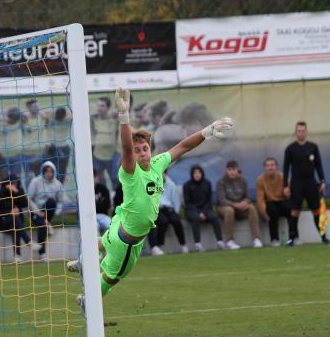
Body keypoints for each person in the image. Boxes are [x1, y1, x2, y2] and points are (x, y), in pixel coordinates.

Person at [69, 87, 233, 310]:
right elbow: (126, 147)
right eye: (138, 150)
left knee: (103, 242)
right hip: (127, 240)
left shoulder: (157, 164)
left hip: (123, 223)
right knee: (112, 277)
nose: (143, 152)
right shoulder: (130, 171)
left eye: (145, 148)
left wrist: (208, 130)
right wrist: (124, 116)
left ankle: (83, 262)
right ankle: (88, 301)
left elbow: (183, 146)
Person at [283, 121, 330, 245]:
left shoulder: (313, 147)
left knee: (316, 210)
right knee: (295, 211)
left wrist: (322, 181)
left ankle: (323, 237)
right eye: (298, 131)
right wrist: (285, 186)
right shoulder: (290, 148)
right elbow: (286, 168)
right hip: (297, 183)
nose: (301, 133)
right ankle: (291, 239)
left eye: (303, 131)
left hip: (311, 182)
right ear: (295, 132)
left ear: (306, 132)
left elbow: (318, 165)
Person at [216, 160, 263, 250]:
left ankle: (256, 239)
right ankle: (230, 241)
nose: (232, 172)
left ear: (237, 170)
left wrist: (245, 202)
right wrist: (235, 204)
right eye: (229, 169)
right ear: (227, 170)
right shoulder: (221, 181)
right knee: (229, 210)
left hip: (240, 206)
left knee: (252, 208)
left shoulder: (243, 180)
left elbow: (248, 197)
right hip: (224, 207)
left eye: (233, 169)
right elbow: (222, 200)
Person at [0, 175, 39, 263]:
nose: (14, 185)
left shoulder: (18, 191)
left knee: (15, 229)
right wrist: (9, 212)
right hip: (3, 222)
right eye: (11, 183)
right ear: (6, 184)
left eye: (15, 183)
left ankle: (17, 257)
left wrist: (16, 192)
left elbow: (25, 204)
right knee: (14, 219)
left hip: (17, 223)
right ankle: (28, 241)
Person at [27, 161, 65, 257]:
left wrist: (56, 212)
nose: (49, 173)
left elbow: (60, 201)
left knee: (51, 201)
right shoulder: (35, 181)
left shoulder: (58, 184)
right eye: (46, 171)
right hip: (36, 212)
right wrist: (39, 213)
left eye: (51, 171)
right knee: (43, 226)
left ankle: (46, 221)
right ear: (43, 171)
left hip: (49, 211)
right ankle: (42, 253)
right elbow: (29, 200)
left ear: (54, 172)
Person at [183, 164, 225, 252]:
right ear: (192, 174)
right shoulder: (187, 185)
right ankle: (197, 244)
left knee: (214, 217)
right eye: (195, 173)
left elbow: (209, 201)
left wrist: (204, 212)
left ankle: (220, 241)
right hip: (192, 210)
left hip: (205, 210)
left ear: (202, 173)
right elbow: (188, 203)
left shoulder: (207, 183)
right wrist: (199, 213)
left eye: (199, 172)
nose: (197, 174)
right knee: (196, 218)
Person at [256, 157, 293, 246]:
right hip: (269, 202)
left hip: (282, 201)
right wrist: (264, 214)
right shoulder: (260, 180)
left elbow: (289, 194)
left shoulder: (283, 177)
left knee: (291, 210)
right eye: (267, 166)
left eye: (272, 165)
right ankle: (274, 239)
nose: (270, 167)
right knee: (272, 211)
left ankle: (293, 237)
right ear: (264, 168)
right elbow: (260, 200)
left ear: (276, 166)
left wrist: (288, 193)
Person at [149, 171, 188, 255]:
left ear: (165, 174)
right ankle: (159, 244)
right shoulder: (152, 184)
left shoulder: (171, 185)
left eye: (163, 173)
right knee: (163, 221)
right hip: (157, 210)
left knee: (176, 221)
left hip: (169, 209)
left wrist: (176, 212)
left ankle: (183, 244)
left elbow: (176, 200)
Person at [91, 96, 120, 187]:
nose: (99, 108)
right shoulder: (94, 119)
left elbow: (125, 115)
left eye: (102, 106)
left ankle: (118, 198)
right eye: (98, 105)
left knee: (115, 179)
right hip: (98, 156)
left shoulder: (115, 120)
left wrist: (115, 113)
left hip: (112, 157)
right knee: (100, 181)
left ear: (108, 108)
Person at [94, 169, 112, 235]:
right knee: (94, 227)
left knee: (111, 225)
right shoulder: (84, 190)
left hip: (103, 215)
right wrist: (100, 203)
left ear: (96, 177)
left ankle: (110, 244)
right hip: (89, 217)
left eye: (93, 177)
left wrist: (96, 205)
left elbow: (107, 205)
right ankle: (96, 245)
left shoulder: (103, 189)